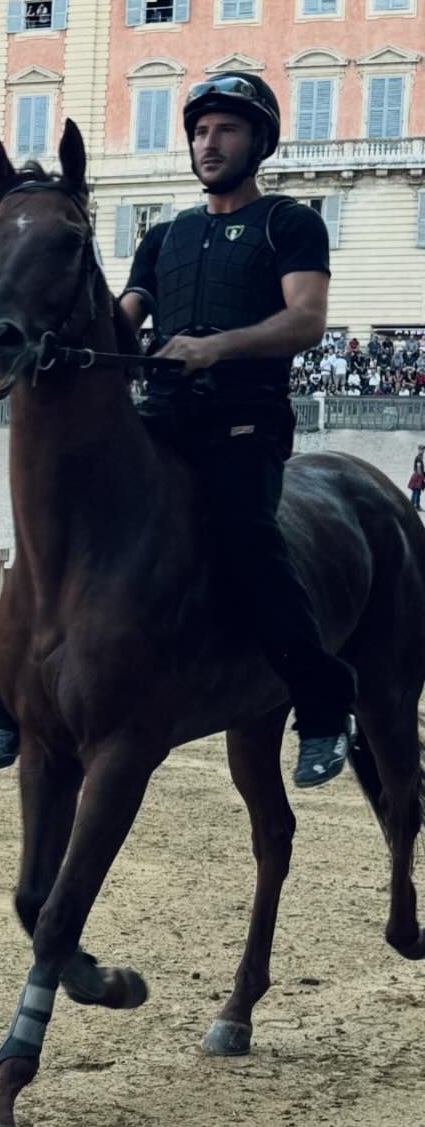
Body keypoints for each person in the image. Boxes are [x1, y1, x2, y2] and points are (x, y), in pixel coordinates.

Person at [120, 71, 356, 788]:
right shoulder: (163, 236)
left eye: (224, 129)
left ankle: (320, 702)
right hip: (162, 418)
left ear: (259, 141)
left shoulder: (289, 222)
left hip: (245, 423)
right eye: (198, 131)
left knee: (246, 541)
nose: (208, 142)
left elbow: (306, 319)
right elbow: (124, 322)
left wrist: (214, 346)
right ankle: (20, 694)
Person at [411, 445, 425, 510]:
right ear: (419, 450)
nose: (422, 451)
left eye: (423, 450)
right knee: (417, 491)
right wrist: (422, 477)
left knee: (415, 491)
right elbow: (419, 468)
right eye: (421, 449)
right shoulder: (419, 458)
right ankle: (416, 506)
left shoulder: (419, 457)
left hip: (416, 476)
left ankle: (412, 505)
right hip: (418, 476)